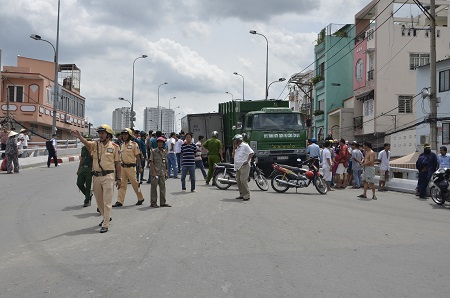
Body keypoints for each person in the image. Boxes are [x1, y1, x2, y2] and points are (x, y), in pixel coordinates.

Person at [71, 124, 121, 233]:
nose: (101, 135)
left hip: (108, 176)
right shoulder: (96, 145)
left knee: (107, 201)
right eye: (100, 133)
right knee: (99, 202)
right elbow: (87, 144)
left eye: (103, 133)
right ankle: (106, 216)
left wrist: (119, 178)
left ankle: (106, 224)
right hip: (97, 176)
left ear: (108, 135)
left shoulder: (114, 147)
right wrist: (80, 137)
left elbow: (117, 163)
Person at [113, 128, 145, 207]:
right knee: (122, 185)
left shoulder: (134, 144)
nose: (124, 136)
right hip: (123, 167)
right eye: (123, 134)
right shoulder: (122, 145)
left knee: (135, 184)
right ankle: (120, 201)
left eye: (126, 134)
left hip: (131, 168)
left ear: (129, 135)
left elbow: (137, 157)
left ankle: (140, 198)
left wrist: (140, 167)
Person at [149, 137, 171, 208]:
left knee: (162, 188)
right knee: (154, 188)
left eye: (161, 142)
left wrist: (166, 172)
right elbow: (151, 162)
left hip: (161, 173)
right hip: (155, 172)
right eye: (158, 142)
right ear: (157, 143)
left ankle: (163, 202)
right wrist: (153, 172)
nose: (160, 143)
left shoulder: (164, 152)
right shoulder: (153, 151)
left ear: (163, 143)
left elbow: (164, 162)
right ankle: (153, 202)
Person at [232, 134, 254, 201]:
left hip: (244, 165)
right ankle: (242, 194)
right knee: (238, 180)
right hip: (237, 166)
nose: (234, 142)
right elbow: (233, 156)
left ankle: (247, 195)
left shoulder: (245, 146)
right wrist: (234, 148)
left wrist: (247, 161)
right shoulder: (237, 147)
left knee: (243, 180)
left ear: (239, 141)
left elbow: (251, 153)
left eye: (235, 141)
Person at [77, 135, 94, 207]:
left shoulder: (93, 149)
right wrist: (78, 169)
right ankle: (88, 194)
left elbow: (95, 159)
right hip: (83, 168)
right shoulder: (83, 148)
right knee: (79, 183)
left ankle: (87, 200)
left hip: (90, 168)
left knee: (88, 185)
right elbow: (82, 159)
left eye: (88, 140)